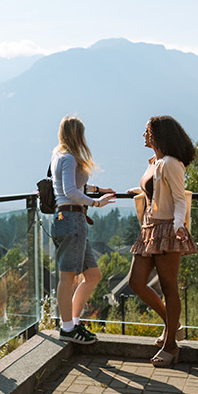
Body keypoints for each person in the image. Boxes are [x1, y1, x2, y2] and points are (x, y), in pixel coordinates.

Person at [127, 115, 198, 368]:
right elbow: (155, 192)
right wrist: (135, 192)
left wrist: (179, 227)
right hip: (148, 230)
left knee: (169, 287)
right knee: (135, 282)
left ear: (159, 134)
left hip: (168, 229)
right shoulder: (155, 162)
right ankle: (172, 325)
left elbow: (180, 199)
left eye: (148, 130)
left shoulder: (171, 163)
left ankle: (171, 345)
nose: (144, 134)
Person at [49, 116, 116, 344]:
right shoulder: (68, 157)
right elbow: (70, 190)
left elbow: (73, 184)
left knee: (92, 275)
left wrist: (97, 189)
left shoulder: (59, 154)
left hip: (67, 218)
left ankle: (73, 322)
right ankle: (67, 328)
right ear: (77, 135)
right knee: (67, 277)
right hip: (71, 218)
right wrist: (97, 202)